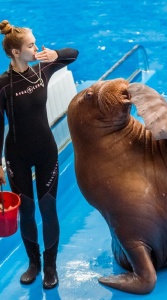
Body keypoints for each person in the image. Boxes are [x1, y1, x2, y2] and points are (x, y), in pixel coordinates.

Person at [0, 20, 79, 289]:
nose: (36, 48)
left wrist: (55, 54)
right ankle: (33, 264)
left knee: (48, 209)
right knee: (28, 212)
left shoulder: (42, 70)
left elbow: (74, 54)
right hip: (16, 157)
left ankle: (50, 267)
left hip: (46, 152)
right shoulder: (3, 86)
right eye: (31, 45)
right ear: (15, 53)